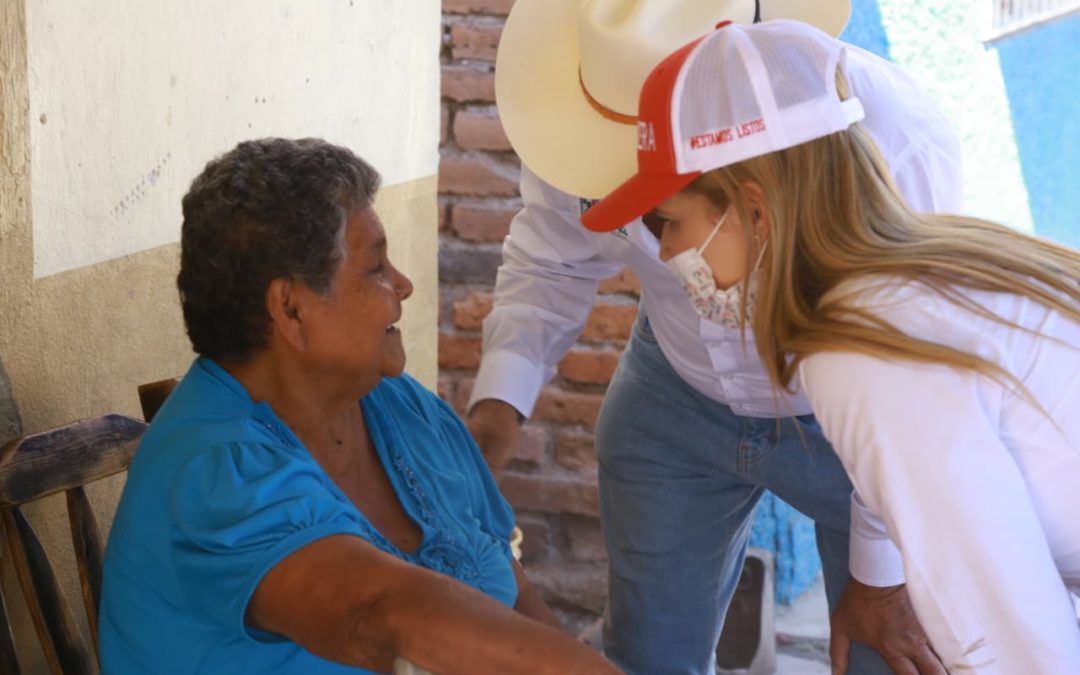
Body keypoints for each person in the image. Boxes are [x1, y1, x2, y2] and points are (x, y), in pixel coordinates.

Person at [474, 1, 962, 673]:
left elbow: (910, 381)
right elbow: (550, 258)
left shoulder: (894, 140)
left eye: (665, 209)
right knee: (649, 657)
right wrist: (496, 410)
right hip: (673, 387)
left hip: (860, 414)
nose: (654, 234)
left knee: (891, 652)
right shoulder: (582, 106)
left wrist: (882, 573)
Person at [581, 19, 1080, 674]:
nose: (664, 250)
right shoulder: (924, 276)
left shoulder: (860, 353)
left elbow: (1016, 644)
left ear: (755, 211)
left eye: (670, 220)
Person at [99, 138, 621, 675]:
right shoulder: (215, 472)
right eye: (375, 268)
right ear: (291, 309)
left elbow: (517, 598)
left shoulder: (402, 409)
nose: (403, 284)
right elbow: (376, 615)